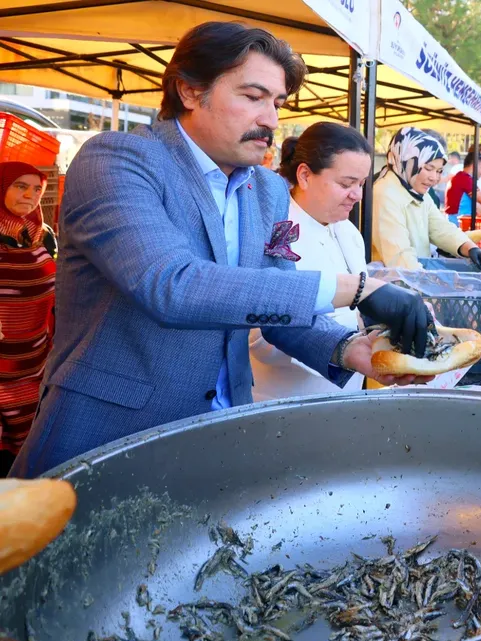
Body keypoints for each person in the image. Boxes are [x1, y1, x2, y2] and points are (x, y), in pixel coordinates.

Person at [9, 22, 434, 478]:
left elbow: (278, 301)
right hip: (106, 438)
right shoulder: (117, 160)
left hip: (221, 436)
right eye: (253, 97)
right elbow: (171, 285)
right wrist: (358, 289)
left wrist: (349, 349)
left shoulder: (268, 191)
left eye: (277, 103)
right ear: (190, 91)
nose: (270, 120)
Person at [249, 123, 372, 401]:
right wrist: (345, 348)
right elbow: (258, 334)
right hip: (286, 402)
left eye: (362, 184)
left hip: (347, 397)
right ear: (305, 175)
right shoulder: (275, 232)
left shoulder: (348, 232)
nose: (357, 195)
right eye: (346, 184)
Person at [371, 127, 481, 272]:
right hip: (393, 280)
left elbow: (439, 226)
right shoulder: (384, 193)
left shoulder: (416, 190)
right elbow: (399, 258)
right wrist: (424, 281)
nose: (434, 178)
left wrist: (470, 248)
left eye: (439, 171)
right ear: (406, 161)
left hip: (415, 276)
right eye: (428, 168)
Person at [0, 163, 57, 476]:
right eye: (20, 186)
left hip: (34, 358)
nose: (30, 195)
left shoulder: (41, 235)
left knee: (26, 446)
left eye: (37, 189)